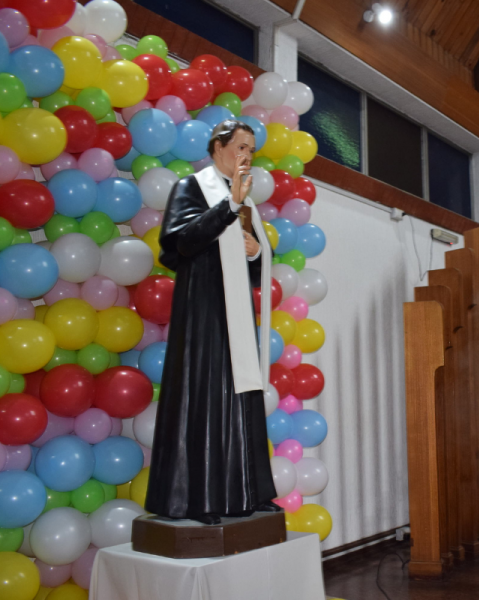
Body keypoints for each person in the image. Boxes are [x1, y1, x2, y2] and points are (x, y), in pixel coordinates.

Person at [146, 120, 280, 525]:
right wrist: (227, 207)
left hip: (236, 311)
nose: (246, 156)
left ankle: (248, 494)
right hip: (203, 306)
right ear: (216, 147)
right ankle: (200, 498)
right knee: (205, 394)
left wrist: (257, 251)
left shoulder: (248, 204)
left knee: (243, 398)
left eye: (251, 150)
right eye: (240, 147)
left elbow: (256, 270)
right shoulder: (191, 187)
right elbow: (178, 244)